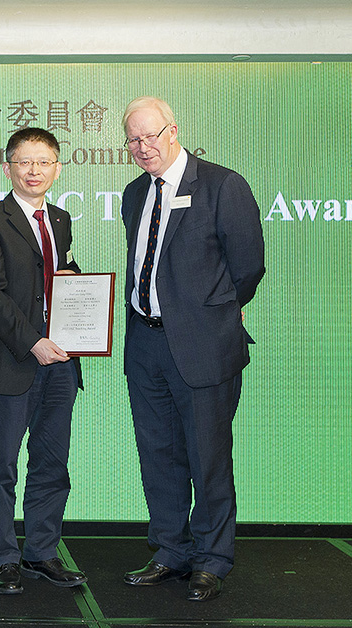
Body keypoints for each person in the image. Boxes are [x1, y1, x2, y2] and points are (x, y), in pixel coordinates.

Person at [118, 96, 265, 602]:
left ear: (174, 131)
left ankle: (212, 558)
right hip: (144, 343)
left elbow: (248, 267)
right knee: (157, 455)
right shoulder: (135, 193)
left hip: (203, 347)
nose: (142, 147)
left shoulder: (223, 185)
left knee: (208, 457)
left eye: (150, 135)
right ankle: (169, 551)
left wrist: (217, 312)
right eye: (133, 139)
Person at [0, 127, 87, 595]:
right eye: (25, 162)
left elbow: (56, 283)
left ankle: (42, 552)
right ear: (7, 167)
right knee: (1, 465)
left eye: (44, 162)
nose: (35, 170)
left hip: (61, 362)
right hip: (13, 360)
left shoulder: (60, 219)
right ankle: (4, 557)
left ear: (57, 168)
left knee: (52, 464)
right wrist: (33, 341)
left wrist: (77, 290)